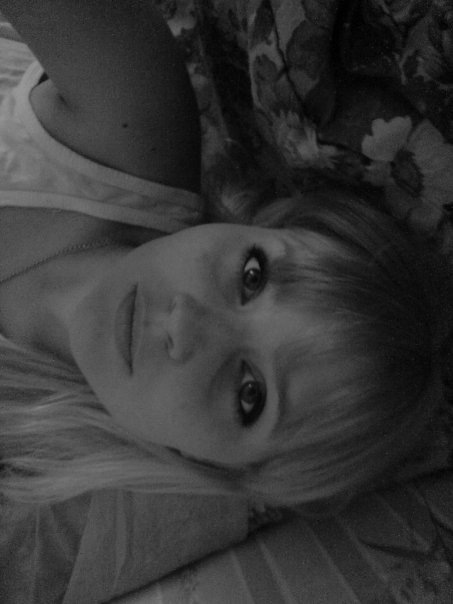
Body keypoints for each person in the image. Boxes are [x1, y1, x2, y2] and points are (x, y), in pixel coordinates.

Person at [0, 0, 451, 517]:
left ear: (215, 464)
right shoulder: (134, 120)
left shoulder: (27, 475)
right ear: (257, 224)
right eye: (253, 275)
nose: (186, 324)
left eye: (250, 395)